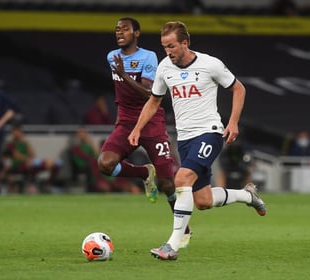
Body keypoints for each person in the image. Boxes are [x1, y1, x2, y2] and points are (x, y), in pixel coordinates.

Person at [128, 21, 266, 260]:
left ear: (185, 43)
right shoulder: (164, 68)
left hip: (209, 133)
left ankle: (172, 245)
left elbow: (239, 89)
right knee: (203, 200)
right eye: (164, 47)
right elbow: (153, 101)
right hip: (185, 138)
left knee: (181, 178)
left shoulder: (209, 64)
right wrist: (137, 128)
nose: (168, 51)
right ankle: (247, 196)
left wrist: (232, 123)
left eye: (171, 46)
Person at [97, 17, 191, 247]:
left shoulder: (148, 57)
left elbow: (149, 94)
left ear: (136, 33)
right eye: (117, 29)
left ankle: (184, 229)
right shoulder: (112, 57)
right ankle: (143, 173)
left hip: (151, 122)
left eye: (125, 29)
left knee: (168, 183)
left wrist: (124, 73)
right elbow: (122, 96)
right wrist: (120, 123)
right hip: (126, 122)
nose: (119, 32)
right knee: (105, 164)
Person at [70, 127, 141, 193]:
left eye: (85, 134)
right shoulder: (76, 148)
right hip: (91, 169)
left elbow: (97, 155)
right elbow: (92, 158)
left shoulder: (90, 147)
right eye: (81, 134)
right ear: (77, 136)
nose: (83, 136)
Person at [0, 123, 63, 194]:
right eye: (15, 131)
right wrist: (26, 159)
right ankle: (31, 185)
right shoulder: (10, 144)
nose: (17, 133)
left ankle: (49, 184)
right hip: (18, 166)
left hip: (29, 164)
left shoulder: (24, 143)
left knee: (53, 163)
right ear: (12, 132)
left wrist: (27, 143)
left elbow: (33, 155)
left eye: (19, 131)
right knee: (30, 166)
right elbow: (15, 156)